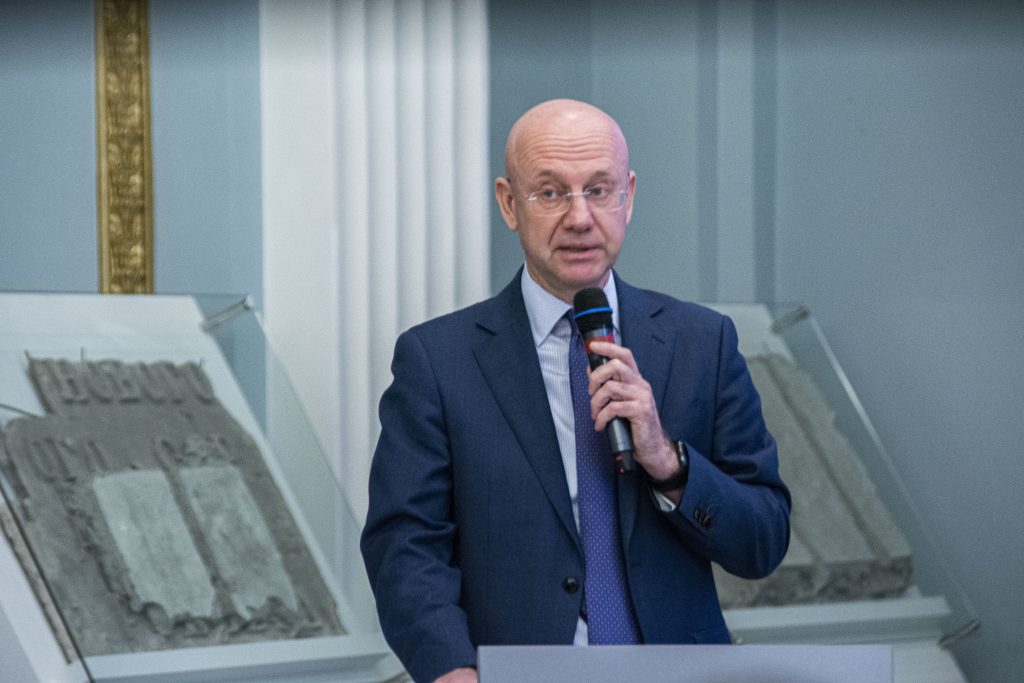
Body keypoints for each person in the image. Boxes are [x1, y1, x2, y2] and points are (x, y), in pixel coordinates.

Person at [360, 99, 791, 683]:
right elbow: (405, 546)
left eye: (598, 189)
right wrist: (451, 670)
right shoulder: (438, 361)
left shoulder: (702, 342)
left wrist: (669, 463)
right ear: (509, 204)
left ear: (628, 196)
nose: (580, 217)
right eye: (551, 192)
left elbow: (764, 539)